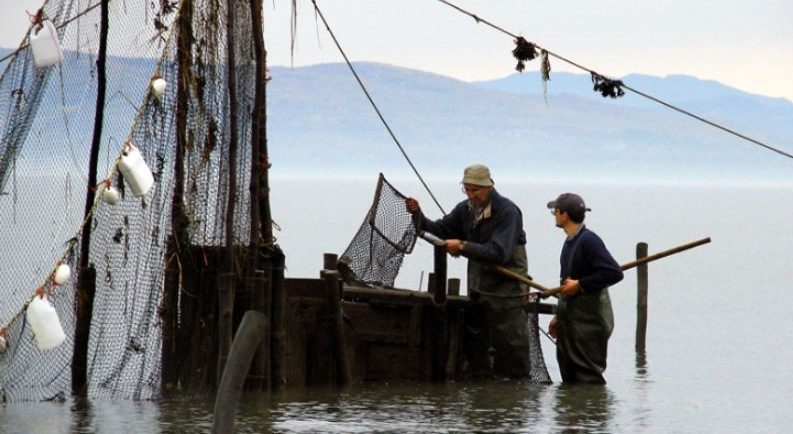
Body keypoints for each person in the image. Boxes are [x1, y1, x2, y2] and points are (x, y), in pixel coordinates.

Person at [405, 164, 532, 378]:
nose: (471, 195)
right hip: (479, 292)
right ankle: (483, 398)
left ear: (489, 187)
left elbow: (498, 252)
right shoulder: (465, 209)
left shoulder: (508, 212)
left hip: (507, 296)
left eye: (476, 190)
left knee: (511, 350)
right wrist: (417, 214)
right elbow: (438, 230)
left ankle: (515, 402)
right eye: (467, 189)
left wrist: (463, 246)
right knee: (479, 350)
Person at [546, 193, 623, 384]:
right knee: (570, 377)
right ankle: (574, 412)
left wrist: (580, 285)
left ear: (565, 215)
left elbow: (614, 273)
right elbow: (567, 284)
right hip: (571, 321)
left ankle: (592, 413)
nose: (554, 215)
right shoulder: (571, 241)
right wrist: (560, 315)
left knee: (588, 379)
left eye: (555, 211)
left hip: (589, 325)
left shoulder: (589, 241)